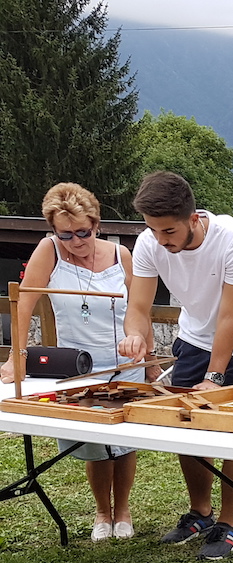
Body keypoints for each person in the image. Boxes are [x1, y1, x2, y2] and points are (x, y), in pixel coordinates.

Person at [117, 171, 233, 561]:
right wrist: (135, 334)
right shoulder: (150, 244)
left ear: (193, 218)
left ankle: (229, 525)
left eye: (168, 231)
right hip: (193, 339)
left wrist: (214, 377)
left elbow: (229, 317)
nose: (161, 240)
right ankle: (201, 513)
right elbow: (138, 306)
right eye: (153, 230)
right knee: (186, 429)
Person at [1, 182, 144, 541]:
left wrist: (140, 344)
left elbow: (137, 308)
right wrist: (14, 357)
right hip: (76, 363)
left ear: (96, 224)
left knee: (124, 442)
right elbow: (24, 304)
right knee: (93, 443)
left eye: (84, 232)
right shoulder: (48, 251)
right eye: (66, 235)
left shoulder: (120, 254)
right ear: (53, 230)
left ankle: (123, 510)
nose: (77, 241)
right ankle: (102, 512)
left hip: (123, 360)